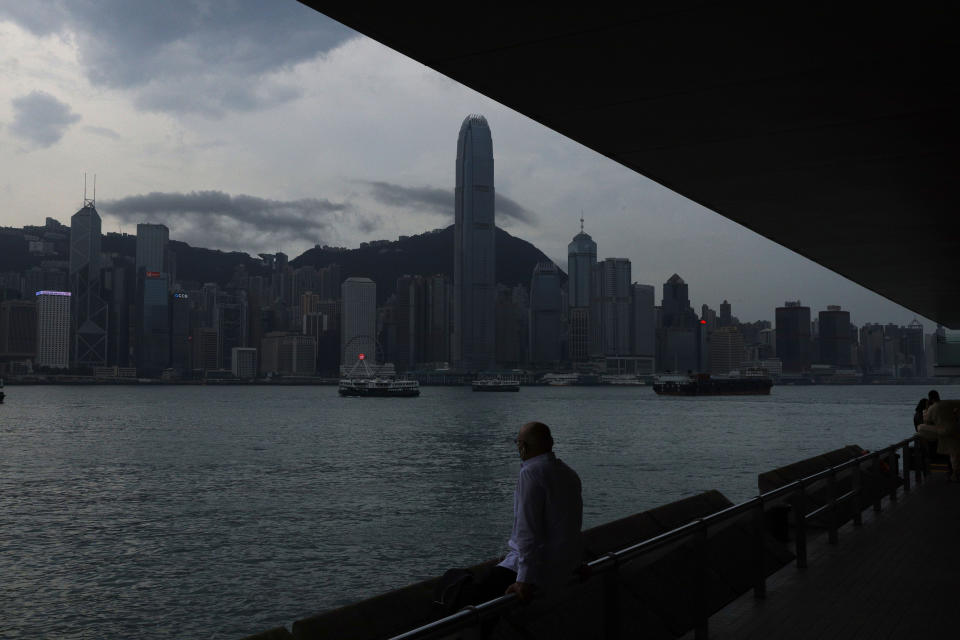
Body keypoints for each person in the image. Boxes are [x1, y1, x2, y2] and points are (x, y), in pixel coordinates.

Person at [437, 421, 583, 610]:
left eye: (517, 442)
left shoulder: (531, 473)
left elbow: (527, 532)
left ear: (523, 446)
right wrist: (577, 562)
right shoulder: (569, 473)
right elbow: (571, 525)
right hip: (563, 567)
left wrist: (523, 580)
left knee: (454, 590)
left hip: (534, 570)